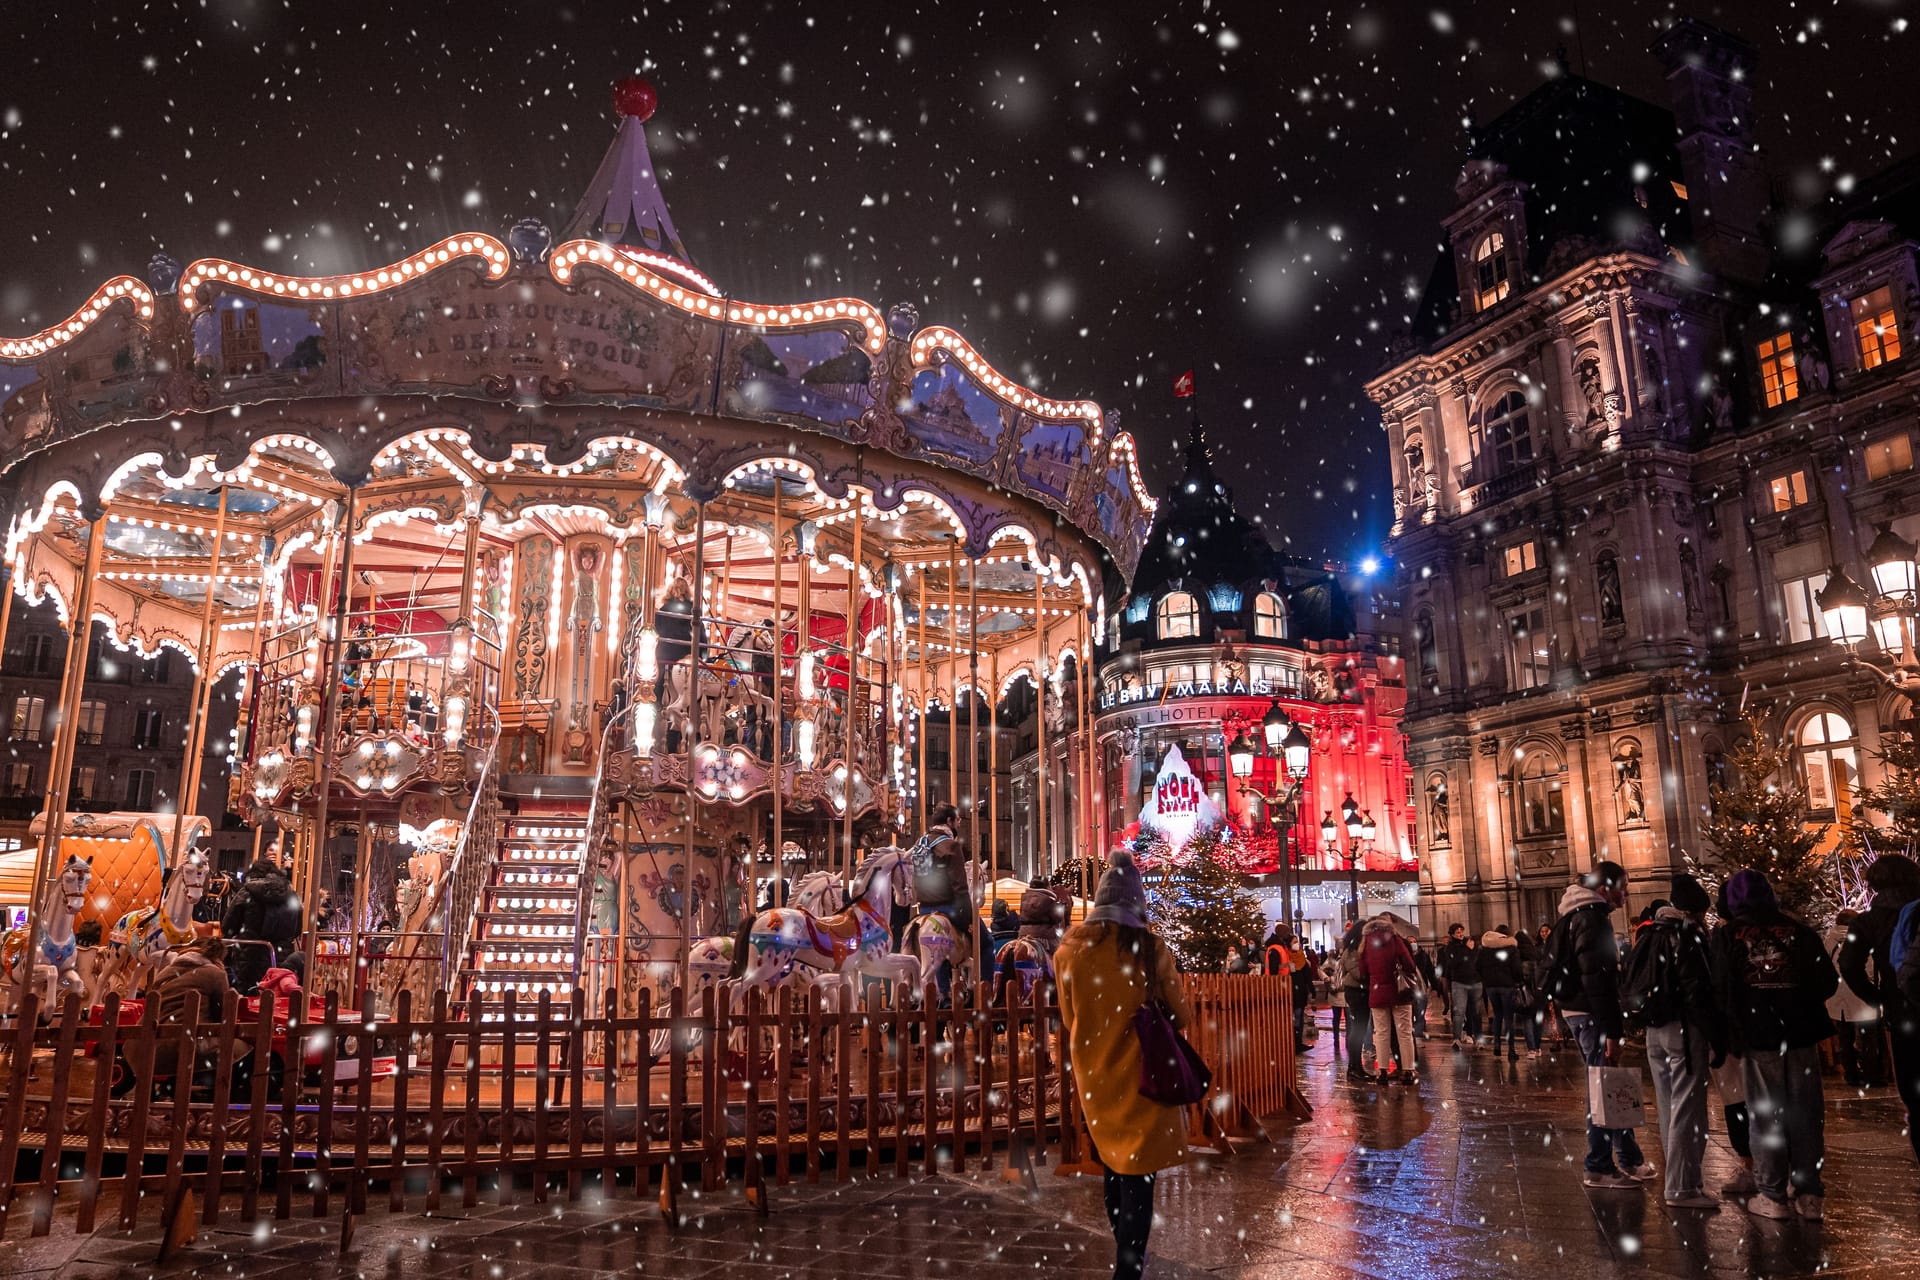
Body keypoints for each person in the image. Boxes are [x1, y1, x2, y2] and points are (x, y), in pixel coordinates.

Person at [1056, 849, 1191, 1280]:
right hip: (1142, 1073)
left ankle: (1125, 1256)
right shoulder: (1149, 949)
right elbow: (1180, 1015)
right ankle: (1127, 1267)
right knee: (1139, 1177)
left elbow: (1069, 1017)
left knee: (1113, 1167)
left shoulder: (1070, 952)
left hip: (1096, 1073)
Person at [1711, 868, 1836, 1221]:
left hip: (1758, 1036)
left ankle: (1772, 1193)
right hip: (1799, 1035)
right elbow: (1826, 981)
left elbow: (1720, 989)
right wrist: (1797, 1001)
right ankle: (1809, 1191)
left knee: (1766, 1115)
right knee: (1806, 1113)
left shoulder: (1728, 936)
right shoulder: (1800, 932)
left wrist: (1734, 1026)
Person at [1551, 860, 1653, 1188]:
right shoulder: (1592, 918)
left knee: (1611, 1085)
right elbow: (1598, 980)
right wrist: (1613, 1030)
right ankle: (1597, 1165)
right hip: (1591, 1012)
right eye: (1623, 886)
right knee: (1604, 1086)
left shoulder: (1575, 914)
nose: (1627, 894)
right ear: (1604, 888)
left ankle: (1629, 1158)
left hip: (1579, 1010)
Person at [1628, 873, 1725, 1210]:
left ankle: (1679, 1178)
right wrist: (1716, 1034)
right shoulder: (1689, 936)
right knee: (1688, 1107)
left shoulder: (1651, 933)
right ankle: (1682, 1187)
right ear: (1695, 911)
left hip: (1655, 1028)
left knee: (1669, 1104)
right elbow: (1698, 991)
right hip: (1683, 1027)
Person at [1837, 852, 1920, 1166]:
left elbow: (1849, 965)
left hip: (1902, 1012)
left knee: (1914, 1093)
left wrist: (1878, 999)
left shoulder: (1869, 921)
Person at [907, 803, 975, 999]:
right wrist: (968, 918)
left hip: (924, 910)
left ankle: (942, 991)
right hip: (948, 908)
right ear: (949, 821)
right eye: (958, 821)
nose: (959, 825)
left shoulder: (919, 844)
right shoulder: (951, 846)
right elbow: (960, 886)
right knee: (986, 943)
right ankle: (984, 995)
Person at [220, 858, 302, 993]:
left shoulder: (247, 892)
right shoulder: (292, 895)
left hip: (250, 957)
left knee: (247, 998)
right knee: (276, 998)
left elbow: (228, 926)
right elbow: (297, 929)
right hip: (282, 958)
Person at [1825, 909, 1883, 1087]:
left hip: (1838, 999)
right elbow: (1870, 968)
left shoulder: (1829, 941)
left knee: (1845, 1037)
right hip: (1861, 995)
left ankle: (1851, 1074)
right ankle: (1871, 1075)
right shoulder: (1861, 937)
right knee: (1867, 1038)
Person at [1360, 913, 1420, 1086]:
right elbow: (1410, 965)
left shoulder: (1366, 943)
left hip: (1377, 992)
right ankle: (1408, 1070)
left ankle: (1382, 1071)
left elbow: (1363, 970)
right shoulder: (1395, 939)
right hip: (1399, 992)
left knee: (1381, 1033)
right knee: (1404, 1032)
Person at [1475, 923, 1526, 1060]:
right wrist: (1518, 981)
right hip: (1507, 986)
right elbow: (1517, 968)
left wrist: (1486, 979)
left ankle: (1497, 1046)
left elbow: (1477, 966)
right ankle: (1511, 1050)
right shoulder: (1511, 948)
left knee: (1497, 1015)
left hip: (1491, 987)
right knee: (1509, 1018)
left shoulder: (1484, 949)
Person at [1338, 918, 1373, 1082]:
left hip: (1360, 992)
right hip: (1356, 993)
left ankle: (1356, 1067)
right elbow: (1359, 974)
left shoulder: (1357, 949)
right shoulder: (1352, 951)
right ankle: (1354, 1067)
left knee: (1359, 1029)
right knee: (1357, 1030)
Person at [1439, 922, 1482, 1048]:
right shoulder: (1451, 947)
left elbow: (1476, 960)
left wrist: (1471, 950)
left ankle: (1477, 1037)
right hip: (1459, 982)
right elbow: (1454, 963)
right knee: (1459, 1011)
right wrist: (1467, 951)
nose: (1461, 934)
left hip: (1475, 980)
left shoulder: (1471, 943)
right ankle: (1456, 1038)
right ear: (1452, 934)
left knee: (1476, 1011)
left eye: (1462, 931)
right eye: (1457, 932)